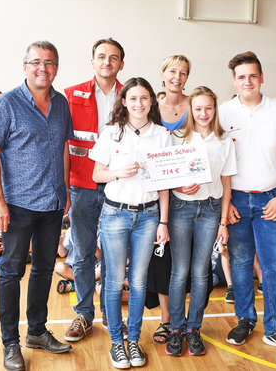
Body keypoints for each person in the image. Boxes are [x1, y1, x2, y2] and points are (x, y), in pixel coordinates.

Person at [0, 41, 74, 370]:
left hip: (52, 204)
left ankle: (36, 332)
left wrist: (64, 191)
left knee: (45, 270)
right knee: (11, 272)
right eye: (36, 62)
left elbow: (63, 146)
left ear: (56, 68)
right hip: (17, 205)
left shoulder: (61, 103)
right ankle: (10, 343)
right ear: (25, 67)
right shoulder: (6, 103)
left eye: (49, 63)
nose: (43, 68)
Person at [218, 51, 276, 355]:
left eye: (253, 76)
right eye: (241, 77)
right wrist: (225, 202)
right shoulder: (224, 112)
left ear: (262, 78)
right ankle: (244, 320)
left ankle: (275, 328)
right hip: (237, 201)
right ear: (234, 80)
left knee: (273, 266)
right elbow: (219, 161)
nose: (248, 82)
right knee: (241, 263)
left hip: (272, 198)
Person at [90, 77, 170, 369]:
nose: (139, 104)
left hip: (148, 216)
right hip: (115, 214)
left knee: (138, 282)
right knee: (113, 282)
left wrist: (163, 221)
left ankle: (133, 341)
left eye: (145, 98)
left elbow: (164, 185)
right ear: (124, 101)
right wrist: (117, 172)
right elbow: (97, 175)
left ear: (152, 102)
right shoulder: (111, 133)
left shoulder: (162, 135)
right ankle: (116, 344)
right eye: (133, 98)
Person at [165, 86, 237, 357]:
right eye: (198, 108)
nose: (204, 113)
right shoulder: (177, 138)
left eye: (209, 108)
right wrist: (181, 187)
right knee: (179, 271)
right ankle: (175, 329)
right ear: (189, 110)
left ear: (215, 109)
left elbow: (227, 184)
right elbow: (167, 178)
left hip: (210, 210)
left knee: (201, 272)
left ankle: (193, 329)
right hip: (181, 209)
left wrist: (223, 222)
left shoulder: (224, 140)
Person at [63, 38, 125, 343]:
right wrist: (63, 186)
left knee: (114, 257)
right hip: (82, 187)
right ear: (92, 61)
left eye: (113, 58)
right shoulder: (70, 94)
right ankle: (84, 315)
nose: (107, 62)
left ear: (121, 64)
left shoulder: (132, 96)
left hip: (119, 188)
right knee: (84, 253)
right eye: (101, 56)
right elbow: (61, 144)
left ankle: (112, 317)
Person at [148, 54, 192, 344]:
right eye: (172, 71)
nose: (177, 76)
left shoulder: (196, 105)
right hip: (159, 198)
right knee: (162, 260)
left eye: (184, 72)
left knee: (189, 262)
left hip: (191, 198)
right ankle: (166, 319)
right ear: (162, 74)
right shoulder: (151, 108)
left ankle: (186, 318)